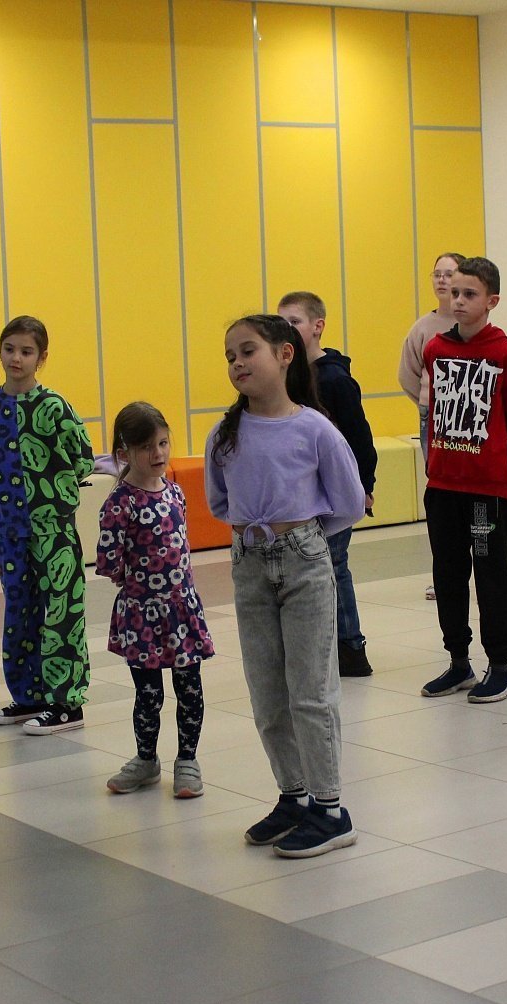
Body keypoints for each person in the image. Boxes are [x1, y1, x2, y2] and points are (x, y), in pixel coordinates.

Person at [207, 314, 365, 858]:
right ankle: (293, 795)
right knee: (268, 692)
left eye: (248, 351)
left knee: (311, 692)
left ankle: (330, 808)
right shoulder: (225, 433)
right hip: (249, 564)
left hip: (304, 563)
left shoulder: (315, 429)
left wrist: (301, 535)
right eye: (230, 356)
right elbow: (219, 501)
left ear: (284, 354)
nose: (237, 363)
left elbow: (349, 502)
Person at [0, 316, 95, 734]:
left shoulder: (53, 406)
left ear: (42, 357)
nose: (16, 358)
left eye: (26, 351)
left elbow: (82, 458)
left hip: (53, 528)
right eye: (10, 349)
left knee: (61, 609)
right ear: (0, 351)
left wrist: (52, 495)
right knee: (20, 610)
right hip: (8, 529)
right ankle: (29, 695)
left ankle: (67, 702)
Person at [418, 257, 507, 704]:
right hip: (444, 485)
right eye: (454, 293)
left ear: (491, 301)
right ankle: (458, 661)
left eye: (470, 294)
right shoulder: (435, 349)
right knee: (447, 574)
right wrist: (434, 465)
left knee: (489, 575)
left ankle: (501, 666)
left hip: (486, 490)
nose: (459, 301)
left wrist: (505, 477)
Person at [97, 402, 215, 798]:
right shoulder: (121, 502)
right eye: (147, 446)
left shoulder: (175, 492)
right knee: (148, 695)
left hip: (182, 611)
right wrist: (134, 584)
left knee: (190, 688)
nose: (158, 453)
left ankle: (188, 760)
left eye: (163, 443)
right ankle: (146, 759)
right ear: (124, 453)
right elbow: (109, 559)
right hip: (142, 615)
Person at [279, 290, 377, 678]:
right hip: (302, 491)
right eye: (281, 323)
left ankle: (351, 647)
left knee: (334, 565)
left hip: (334, 492)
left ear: (317, 326)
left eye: (294, 322)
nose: (286, 330)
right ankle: (324, 645)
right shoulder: (288, 374)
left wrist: (364, 484)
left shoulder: (334, 378)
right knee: (314, 568)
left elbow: (359, 436)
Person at [399, 252, 463, 602]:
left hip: (468, 422)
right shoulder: (423, 328)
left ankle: (476, 570)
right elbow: (408, 374)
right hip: (433, 419)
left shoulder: (473, 325)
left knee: (470, 497)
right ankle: (445, 575)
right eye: (437, 274)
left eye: (449, 273)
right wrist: (427, 404)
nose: (442, 280)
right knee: (441, 497)